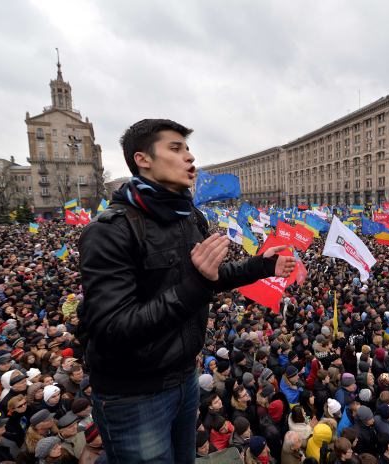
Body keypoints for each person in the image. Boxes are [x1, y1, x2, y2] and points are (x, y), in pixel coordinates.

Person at [78, 118, 296, 463]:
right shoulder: (110, 231)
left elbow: (209, 276)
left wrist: (261, 266)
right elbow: (113, 329)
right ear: (142, 159)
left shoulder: (189, 218)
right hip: (134, 393)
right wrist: (195, 284)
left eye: (188, 148)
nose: (190, 157)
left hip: (185, 377)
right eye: (176, 148)